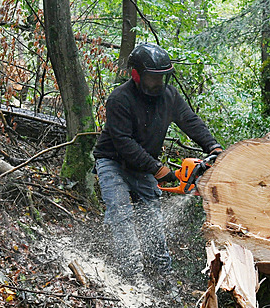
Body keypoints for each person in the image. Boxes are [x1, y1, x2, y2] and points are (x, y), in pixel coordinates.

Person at [93, 43, 222, 284]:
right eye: (153, 78)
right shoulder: (120, 99)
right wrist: (160, 170)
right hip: (112, 162)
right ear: (137, 75)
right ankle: (131, 274)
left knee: (153, 218)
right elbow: (124, 143)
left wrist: (213, 147)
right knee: (121, 213)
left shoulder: (169, 96)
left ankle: (163, 274)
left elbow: (190, 121)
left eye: (162, 77)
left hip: (143, 166)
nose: (158, 83)